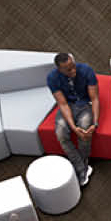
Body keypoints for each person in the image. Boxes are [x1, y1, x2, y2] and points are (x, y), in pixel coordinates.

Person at [45, 53, 98, 186]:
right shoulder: (52, 78)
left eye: (73, 66)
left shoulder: (86, 70)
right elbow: (62, 104)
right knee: (61, 133)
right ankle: (82, 168)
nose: (73, 70)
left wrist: (95, 123)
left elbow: (94, 99)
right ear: (59, 69)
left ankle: (80, 169)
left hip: (85, 105)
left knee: (85, 129)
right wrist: (73, 127)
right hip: (67, 106)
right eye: (68, 69)